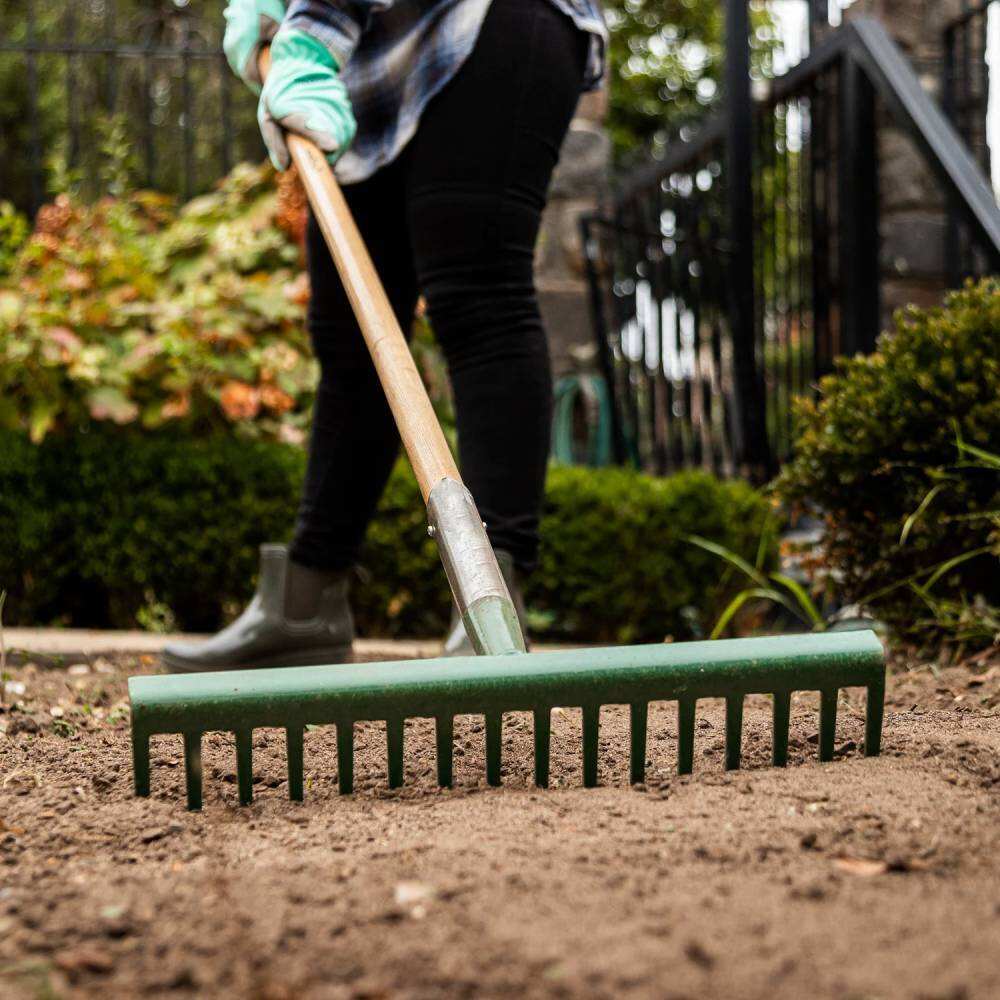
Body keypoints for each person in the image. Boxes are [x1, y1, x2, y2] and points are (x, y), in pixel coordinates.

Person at [161, 0, 607, 672]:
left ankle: (490, 608)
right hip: (372, 63)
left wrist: (309, 40)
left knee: (479, 300)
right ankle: (305, 608)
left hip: (483, 25)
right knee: (350, 346)